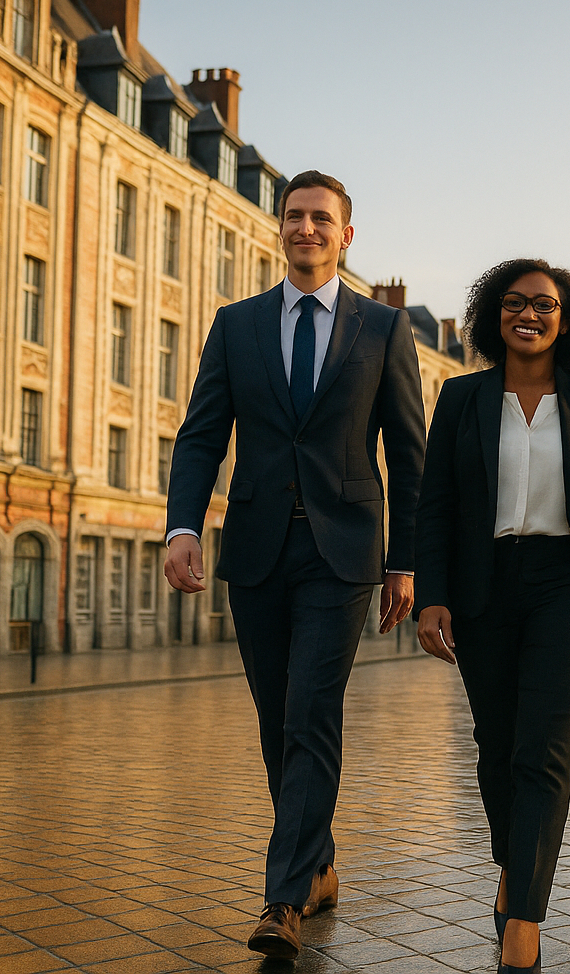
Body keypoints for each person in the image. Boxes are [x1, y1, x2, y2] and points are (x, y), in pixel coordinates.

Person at [163, 171, 425, 961]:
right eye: (294, 216)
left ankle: (283, 899)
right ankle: (319, 864)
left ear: (347, 235)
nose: (306, 228)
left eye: (321, 218)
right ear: (280, 229)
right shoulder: (236, 325)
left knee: (310, 710)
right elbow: (201, 434)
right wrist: (183, 526)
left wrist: (405, 560)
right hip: (257, 547)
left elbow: (408, 453)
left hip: (342, 554)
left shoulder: (384, 329)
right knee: (278, 717)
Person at [415, 259, 570, 974]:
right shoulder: (461, 397)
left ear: (566, 321)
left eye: (545, 305)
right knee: (496, 746)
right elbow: (436, 503)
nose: (529, 315)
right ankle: (515, 866)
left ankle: (524, 923)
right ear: (495, 315)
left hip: (568, 588)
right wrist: (432, 595)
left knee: (543, 750)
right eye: (515, 303)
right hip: (483, 585)